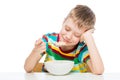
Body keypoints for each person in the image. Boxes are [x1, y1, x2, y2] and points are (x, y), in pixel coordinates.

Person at [24, 4, 104, 74]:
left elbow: (99, 71)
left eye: (77, 35)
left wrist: (88, 37)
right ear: (63, 22)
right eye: (67, 29)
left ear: (82, 36)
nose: (68, 36)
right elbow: (27, 68)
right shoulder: (49, 40)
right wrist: (35, 51)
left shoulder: (81, 49)